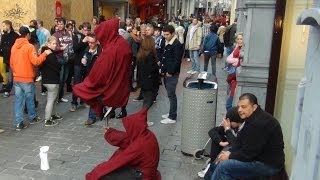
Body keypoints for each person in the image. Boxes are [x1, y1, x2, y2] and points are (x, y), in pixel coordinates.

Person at [210, 93, 285, 179]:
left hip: (268, 165)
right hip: (258, 158)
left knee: (224, 167)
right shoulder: (253, 118)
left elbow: (248, 154)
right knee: (221, 158)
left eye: (244, 107)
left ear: (254, 107)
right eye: (239, 107)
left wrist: (229, 156)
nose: (239, 110)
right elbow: (239, 142)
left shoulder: (258, 123)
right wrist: (229, 152)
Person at [73, 18, 132, 122]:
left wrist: (88, 82)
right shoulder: (121, 43)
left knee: (90, 92)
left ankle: (100, 115)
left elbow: (100, 72)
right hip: (120, 81)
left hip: (110, 84)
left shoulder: (111, 49)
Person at [85, 108, 161, 180]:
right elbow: (126, 138)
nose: (128, 130)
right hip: (147, 170)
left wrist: (96, 173)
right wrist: (109, 132)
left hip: (143, 175)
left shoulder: (140, 145)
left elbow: (119, 161)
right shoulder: (146, 134)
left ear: (134, 127)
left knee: (105, 175)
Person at [10, 26, 52, 131]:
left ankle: (19, 123)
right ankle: (32, 117)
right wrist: (45, 54)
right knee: (29, 99)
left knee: (19, 101)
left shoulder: (14, 46)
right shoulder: (29, 47)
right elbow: (36, 62)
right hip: (27, 78)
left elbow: (11, 63)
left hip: (16, 77)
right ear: (28, 35)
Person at [200, 106, 244, 179]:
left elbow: (235, 145)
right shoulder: (231, 128)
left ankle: (211, 168)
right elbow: (212, 131)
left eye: (229, 121)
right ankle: (211, 166)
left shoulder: (241, 131)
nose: (227, 123)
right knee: (217, 140)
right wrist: (221, 142)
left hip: (236, 158)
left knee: (218, 161)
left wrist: (227, 129)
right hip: (226, 155)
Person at [160, 25, 183, 124]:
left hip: (171, 74)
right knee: (170, 94)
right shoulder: (166, 41)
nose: (165, 36)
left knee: (171, 95)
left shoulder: (176, 44)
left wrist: (171, 72)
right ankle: (171, 112)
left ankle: (172, 116)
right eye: (164, 34)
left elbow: (177, 60)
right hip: (166, 72)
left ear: (172, 33)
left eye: (167, 34)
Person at [136, 36, 160, 126]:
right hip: (149, 82)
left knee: (146, 101)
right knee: (148, 102)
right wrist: (157, 65)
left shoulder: (140, 54)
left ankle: (143, 119)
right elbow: (151, 69)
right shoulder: (150, 55)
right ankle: (142, 120)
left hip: (143, 81)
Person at [80, 34, 103, 126]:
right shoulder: (87, 50)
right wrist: (83, 62)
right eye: (88, 42)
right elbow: (85, 63)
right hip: (90, 77)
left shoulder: (102, 51)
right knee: (93, 97)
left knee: (100, 96)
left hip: (100, 77)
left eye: (92, 42)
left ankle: (98, 114)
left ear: (97, 42)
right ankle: (93, 116)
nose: (90, 44)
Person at [39, 36, 63, 127]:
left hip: (46, 79)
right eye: (53, 43)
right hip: (52, 80)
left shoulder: (44, 52)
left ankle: (53, 115)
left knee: (53, 99)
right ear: (48, 44)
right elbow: (57, 67)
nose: (55, 45)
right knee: (51, 100)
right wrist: (60, 64)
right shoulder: (51, 55)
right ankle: (47, 120)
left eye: (56, 43)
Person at [69, 22, 90, 112]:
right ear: (81, 29)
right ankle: (74, 103)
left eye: (88, 30)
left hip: (87, 63)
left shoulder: (90, 36)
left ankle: (83, 100)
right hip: (78, 63)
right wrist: (83, 41)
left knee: (85, 83)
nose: (86, 32)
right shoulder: (76, 36)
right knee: (77, 83)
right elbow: (75, 48)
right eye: (85, 30)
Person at [53, 17, 73, 103]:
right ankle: (56, 98)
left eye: (61, 24)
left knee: (65, 79)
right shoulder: (55, 35)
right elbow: (53, 47)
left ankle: (60, 97)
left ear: (64, 24)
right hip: (59, 59)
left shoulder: (68, 33)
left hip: (68, 59)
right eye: (58, 24)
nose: (60, 25)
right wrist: (61, 48)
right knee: (60, 79)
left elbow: (71, 44)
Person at [0, 20, 19, 97]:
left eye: (4, 26)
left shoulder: (15, 36)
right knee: (8, 75)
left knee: (11, 76)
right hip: (5, 58)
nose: (2, 27)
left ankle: (7, 90)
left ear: (9, 26)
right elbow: (1, 47)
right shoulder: (3, 36)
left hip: (13, 59)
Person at [225, 33, 243, 111]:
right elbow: (228, 58)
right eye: (238, 39)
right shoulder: (237, 47)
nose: (239, 41)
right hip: (232, 79)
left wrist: (235, 61)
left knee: (229, 105)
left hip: (235, 80)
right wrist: (235, 60)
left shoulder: (242, 50)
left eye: (241, 39)